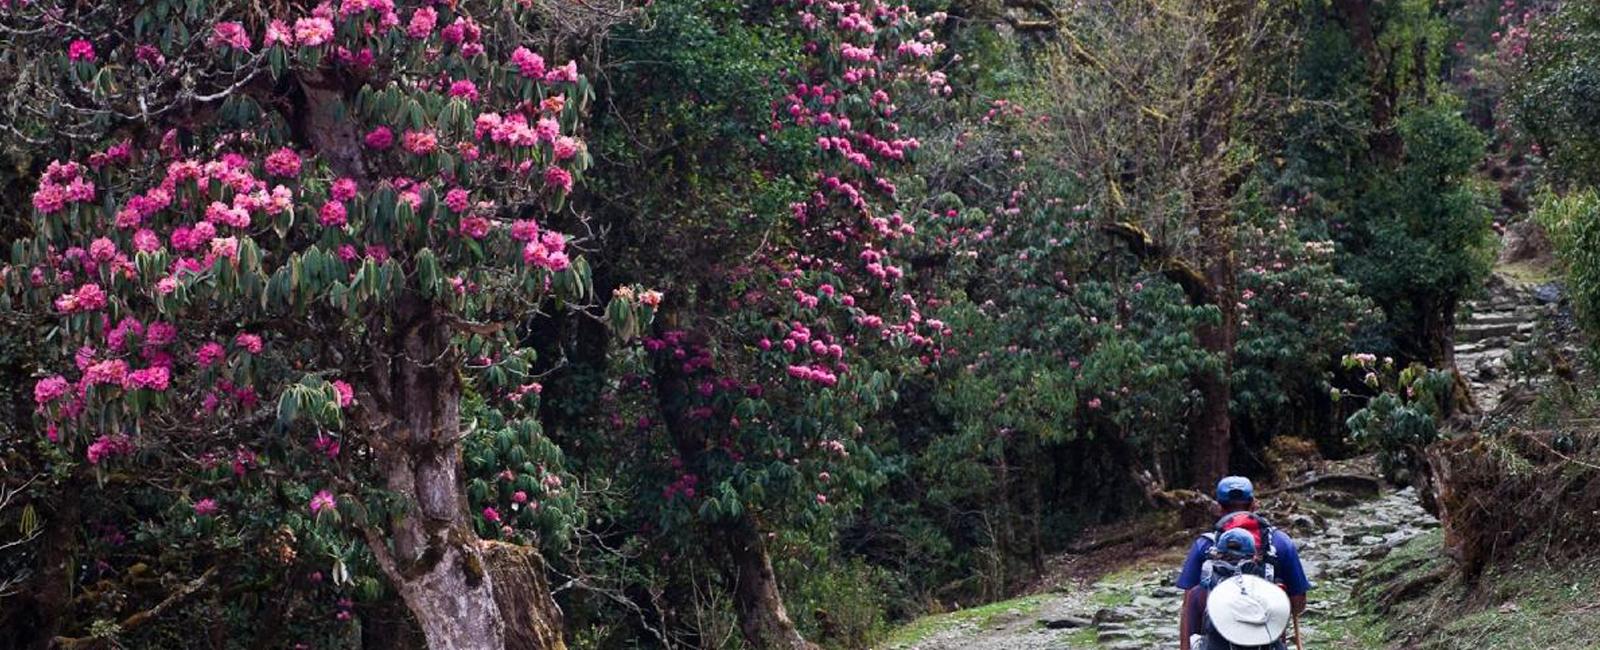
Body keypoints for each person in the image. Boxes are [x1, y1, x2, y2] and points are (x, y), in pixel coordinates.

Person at [1177, 476, 1311, 650]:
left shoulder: (1204, 545)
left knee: (1196, 594)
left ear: (1218, 507)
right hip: (1267, 642)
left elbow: (1189, 608)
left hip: (1216, 643)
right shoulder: (1280, 542)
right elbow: (1298, 604)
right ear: (1254, 504)